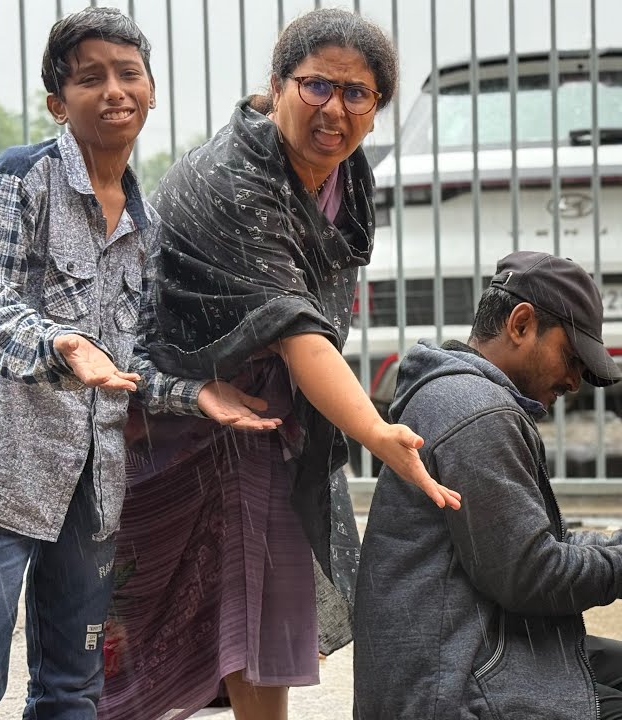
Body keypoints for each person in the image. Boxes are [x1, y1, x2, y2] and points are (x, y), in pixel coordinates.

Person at [0, 7, 278, 719]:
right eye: (90, 78)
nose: (114, 90)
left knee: (75, 685)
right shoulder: (19, 179)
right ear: (59, 102)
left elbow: (136, 356)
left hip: (93, 476)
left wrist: (195, 392)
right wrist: (65, 345)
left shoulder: (149, 226)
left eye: (128, 74)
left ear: (150, 91)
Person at [96, 9, 460, 720]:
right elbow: (294, 324)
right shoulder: (232, 177)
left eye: (359, 95)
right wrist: (377, 432)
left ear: (378, 110)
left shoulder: (347, 174)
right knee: (158, 634)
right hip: (179, 411)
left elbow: (312, 311)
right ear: (278, 85)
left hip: (267, 415)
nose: (336, 110)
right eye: (318, 85)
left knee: (259, 618)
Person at [353, 251, 622, 720]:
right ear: (520, 324)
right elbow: (533, 575)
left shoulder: (467, 393)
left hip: (463, 642)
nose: (575, 381)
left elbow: (536, 544)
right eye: (571, 357)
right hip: (444, 689)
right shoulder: (479, 415)